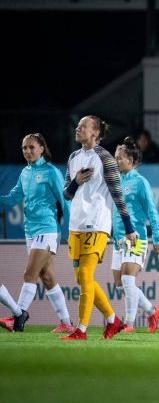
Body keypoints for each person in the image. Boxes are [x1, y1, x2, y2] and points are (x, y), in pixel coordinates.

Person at [61, 116, 137, 341]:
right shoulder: (73, 157)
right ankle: (113, 320)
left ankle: (81, 330)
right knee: (81, 279)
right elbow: (66, 193)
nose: (78, 128)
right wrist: (75, 182)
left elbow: (117, 194)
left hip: (97, 224)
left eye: (83, 126)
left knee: (85, 274)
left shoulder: (105, 158)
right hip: (76, 225)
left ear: (95, 133)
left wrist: (128, 227)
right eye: (77, 125)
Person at [0, 133, 73, 333]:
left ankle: (18, 314)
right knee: (47, 277)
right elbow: (13, 198)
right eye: (25, 148)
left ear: (42, 148)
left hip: (48, 229)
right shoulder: (25, 172)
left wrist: (71, 232)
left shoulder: (51, 172)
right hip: (30, 231)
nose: (28, 151)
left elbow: (65, 201)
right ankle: (66, 322)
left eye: (32, 147)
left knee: (29, 273)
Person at [110, 137, 159, 333]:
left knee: (127, 279)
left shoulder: (140, 182)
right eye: (115, 158)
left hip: (136, 237)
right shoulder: (115, 181)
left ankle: (129, 324)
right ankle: (152, 310)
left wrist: (157, 237)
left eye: (119, 158)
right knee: (119, 284)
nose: (116, 161)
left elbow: (152, 210)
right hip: (118, 240)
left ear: (130, 162)